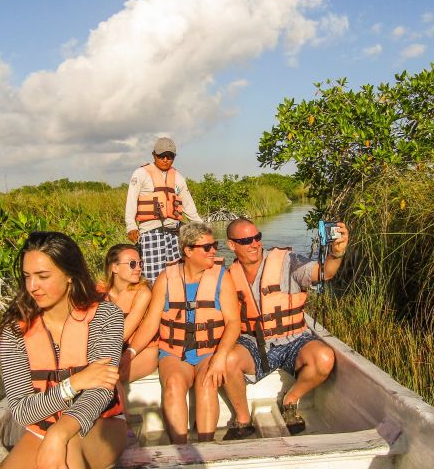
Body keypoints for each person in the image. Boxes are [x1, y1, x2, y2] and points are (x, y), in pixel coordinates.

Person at [0, 232, 127, 469]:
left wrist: (59, 434)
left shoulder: (106, 316)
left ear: (69, 276)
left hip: (100, 424)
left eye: (43, 276)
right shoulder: (13, 332)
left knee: (66, 450)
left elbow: (100, 392)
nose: (33, 286)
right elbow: (22, 412)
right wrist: (73, 384)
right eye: (27, 277)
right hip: (40, 429)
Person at [221, 218, 349, 440]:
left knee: (324, 358)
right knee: (227, 360)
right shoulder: (227, 275)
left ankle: (289, 400)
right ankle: (242, 419)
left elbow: (323, 273)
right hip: (254, 341)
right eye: (246, 240)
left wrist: (335, 254)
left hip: (294, 338)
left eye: (257, 237)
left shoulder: (288, 261)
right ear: (232, 245)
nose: (254, 244)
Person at [127, 222, 241, 444]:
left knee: (207, 383)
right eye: (206, 247)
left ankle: (206, 448)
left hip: (209, 350)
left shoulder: (221, 276)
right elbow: (151, 323)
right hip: (173, 352)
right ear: (188, 251)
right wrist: (130, 352)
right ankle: (181, 451)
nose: (213, 251)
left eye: (214, 245)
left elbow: (234, 322)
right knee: (173, 384)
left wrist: (220, 356)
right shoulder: (166, 278)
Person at [125, 136, 203, 283]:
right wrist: (131, 225)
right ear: (154, 155)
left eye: (170, 156)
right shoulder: (141, 173)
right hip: (150, 232)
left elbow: (189, 206)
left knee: (176, 276)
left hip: (174, 233)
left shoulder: (178, 178)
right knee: (152, 277)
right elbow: (131, 200)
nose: (165, 159)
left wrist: (202, 228)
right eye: (162, 156)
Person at [100, 243, 158, 382]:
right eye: (132, 264)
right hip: (110, 349)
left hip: (141, 351)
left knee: (109, 380)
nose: (138, 268)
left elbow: (123, 333)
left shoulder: (143, 293)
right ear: (115, 267)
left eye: (140, 263)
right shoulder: (100, 293)